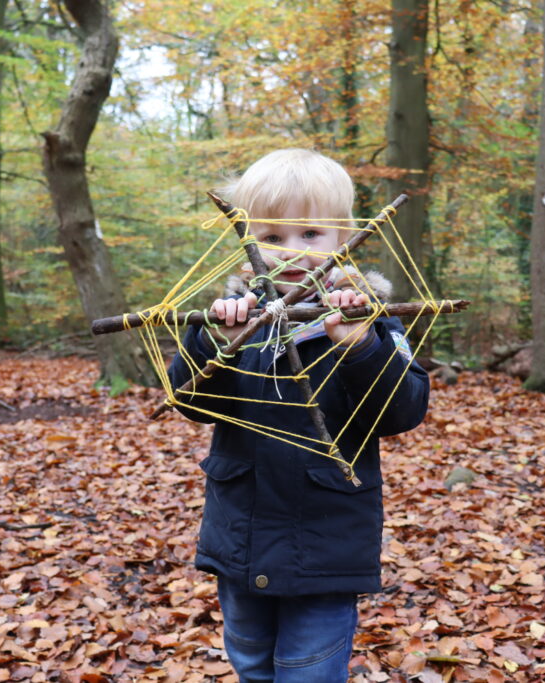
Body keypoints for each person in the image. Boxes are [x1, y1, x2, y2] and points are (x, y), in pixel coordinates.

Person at [167, 148, 430, 682]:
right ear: (246, 245)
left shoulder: (372, 321)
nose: (293, 253)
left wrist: (360, 347)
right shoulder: (234, 321)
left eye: (310, 234)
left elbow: (406, 409)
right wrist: (211, 340)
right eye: (271, 237)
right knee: (251, 663)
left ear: (344, 235)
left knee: (308, 672)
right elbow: (191, 402)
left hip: (325, 547)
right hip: (240, 539)